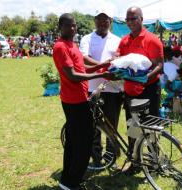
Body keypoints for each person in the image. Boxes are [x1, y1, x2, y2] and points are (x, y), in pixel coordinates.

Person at [53, 13, 111, 190]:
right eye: (68, 25)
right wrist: (102, 74)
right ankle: (72, 182)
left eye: (74, 25)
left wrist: (101, 65)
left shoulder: (72, 44)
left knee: (72, 141)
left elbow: (80, 66)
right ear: (60, 27)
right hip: (74, 101)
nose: (72, 28)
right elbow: (73, 75)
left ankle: (67, 180)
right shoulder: (61, 47)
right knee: (83, 143)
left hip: (78, 98)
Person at [116, 6, 164, 174]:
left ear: (142, 19)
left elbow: (159, 65)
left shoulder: (152, 40)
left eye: (133, 18)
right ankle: (135, 162)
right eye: (127, 19)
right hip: (130, 91)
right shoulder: (124, 41)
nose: (130, 22)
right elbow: (119, 60)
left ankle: (153, 162)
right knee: (133, 126)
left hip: (149, 89)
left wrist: (144, 78)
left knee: (150, 126)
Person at [79, 8, 123, 169]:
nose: (103, 22)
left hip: (113, 89)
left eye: (106, 19)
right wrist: (103, 66)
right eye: (99, 18)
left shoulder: (117, 39)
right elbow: (84, 57)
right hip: (92, 88)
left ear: (110, 21)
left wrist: (111, 68)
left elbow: (119, 58)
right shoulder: (87, 39)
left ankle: (111, 159)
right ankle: (95, 157)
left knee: (111, 125)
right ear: (94, 20)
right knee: (93, 125)